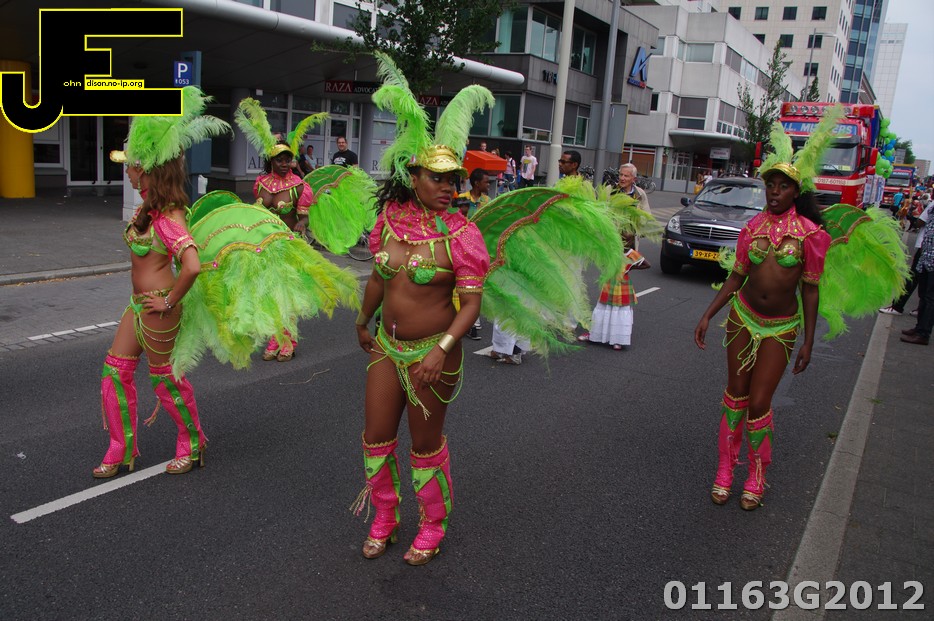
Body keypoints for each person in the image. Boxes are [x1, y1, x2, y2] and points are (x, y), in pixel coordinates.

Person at [351, 53, 493, 566]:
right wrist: (362, 321)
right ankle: (385, 517)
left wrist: (443, 349)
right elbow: (378, 277)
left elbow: (471, 304)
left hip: (434, 351)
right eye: (437, 178)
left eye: (454, 179)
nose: (449, 188)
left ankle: (432, 524)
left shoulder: (463, 234)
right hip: (387, 347)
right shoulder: (390, 220)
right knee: (375, 437)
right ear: (414, 177)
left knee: (424, 444)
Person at [94, 87, 229, 478]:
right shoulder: (147, 210)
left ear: (148, 170)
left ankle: (193, 441)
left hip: (159, 308)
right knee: (114, 372)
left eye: (132, 166)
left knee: (165, 380)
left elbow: (191, 265)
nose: (128, 172)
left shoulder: (169, 216)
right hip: (137, 305)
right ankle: (121, 447)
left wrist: (169, 301)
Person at [694, 135, 833, 511]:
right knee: (735, 396)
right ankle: (726, 469)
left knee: (759, 402)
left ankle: (756, 474)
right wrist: (708, 314)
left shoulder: (811, 235)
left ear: (795, 192)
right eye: (770, 185)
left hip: (780, 328)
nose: (774, 192)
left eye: (783, 186)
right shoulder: (751, 228)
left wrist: (808, 341)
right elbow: (736, 277)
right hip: (742, 319)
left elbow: (810, 291)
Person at [235, 98, 321, 362]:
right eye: (280, 160)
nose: (284, 163)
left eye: (288, 159)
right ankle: (274, 338)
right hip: (264, 245)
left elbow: (304, 217)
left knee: (286, 294)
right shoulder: (260, 183)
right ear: (271, 161)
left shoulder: (299, 186)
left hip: (288, 246)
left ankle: (288, 341)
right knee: (268, 293)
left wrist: (301, 224)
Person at [577, 163, 654, 350]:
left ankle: (614, 334)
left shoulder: (639, 194)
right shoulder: (609, 191)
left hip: (627, 246)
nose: (622, 178)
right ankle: (600, 332)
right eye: (621, 174)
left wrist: (635, 230)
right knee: (607, 286)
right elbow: (599, 213)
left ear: (634, 178)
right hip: (610, 245)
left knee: (617, 288)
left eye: (626, 176)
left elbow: (646, 217)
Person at [900, 198, 934, 345]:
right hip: (927, 256)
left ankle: (923, 333)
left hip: (932, 260)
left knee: (930, 298)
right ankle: (919, 328)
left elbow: (920, 222)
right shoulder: (932, 207)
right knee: (924, 295)